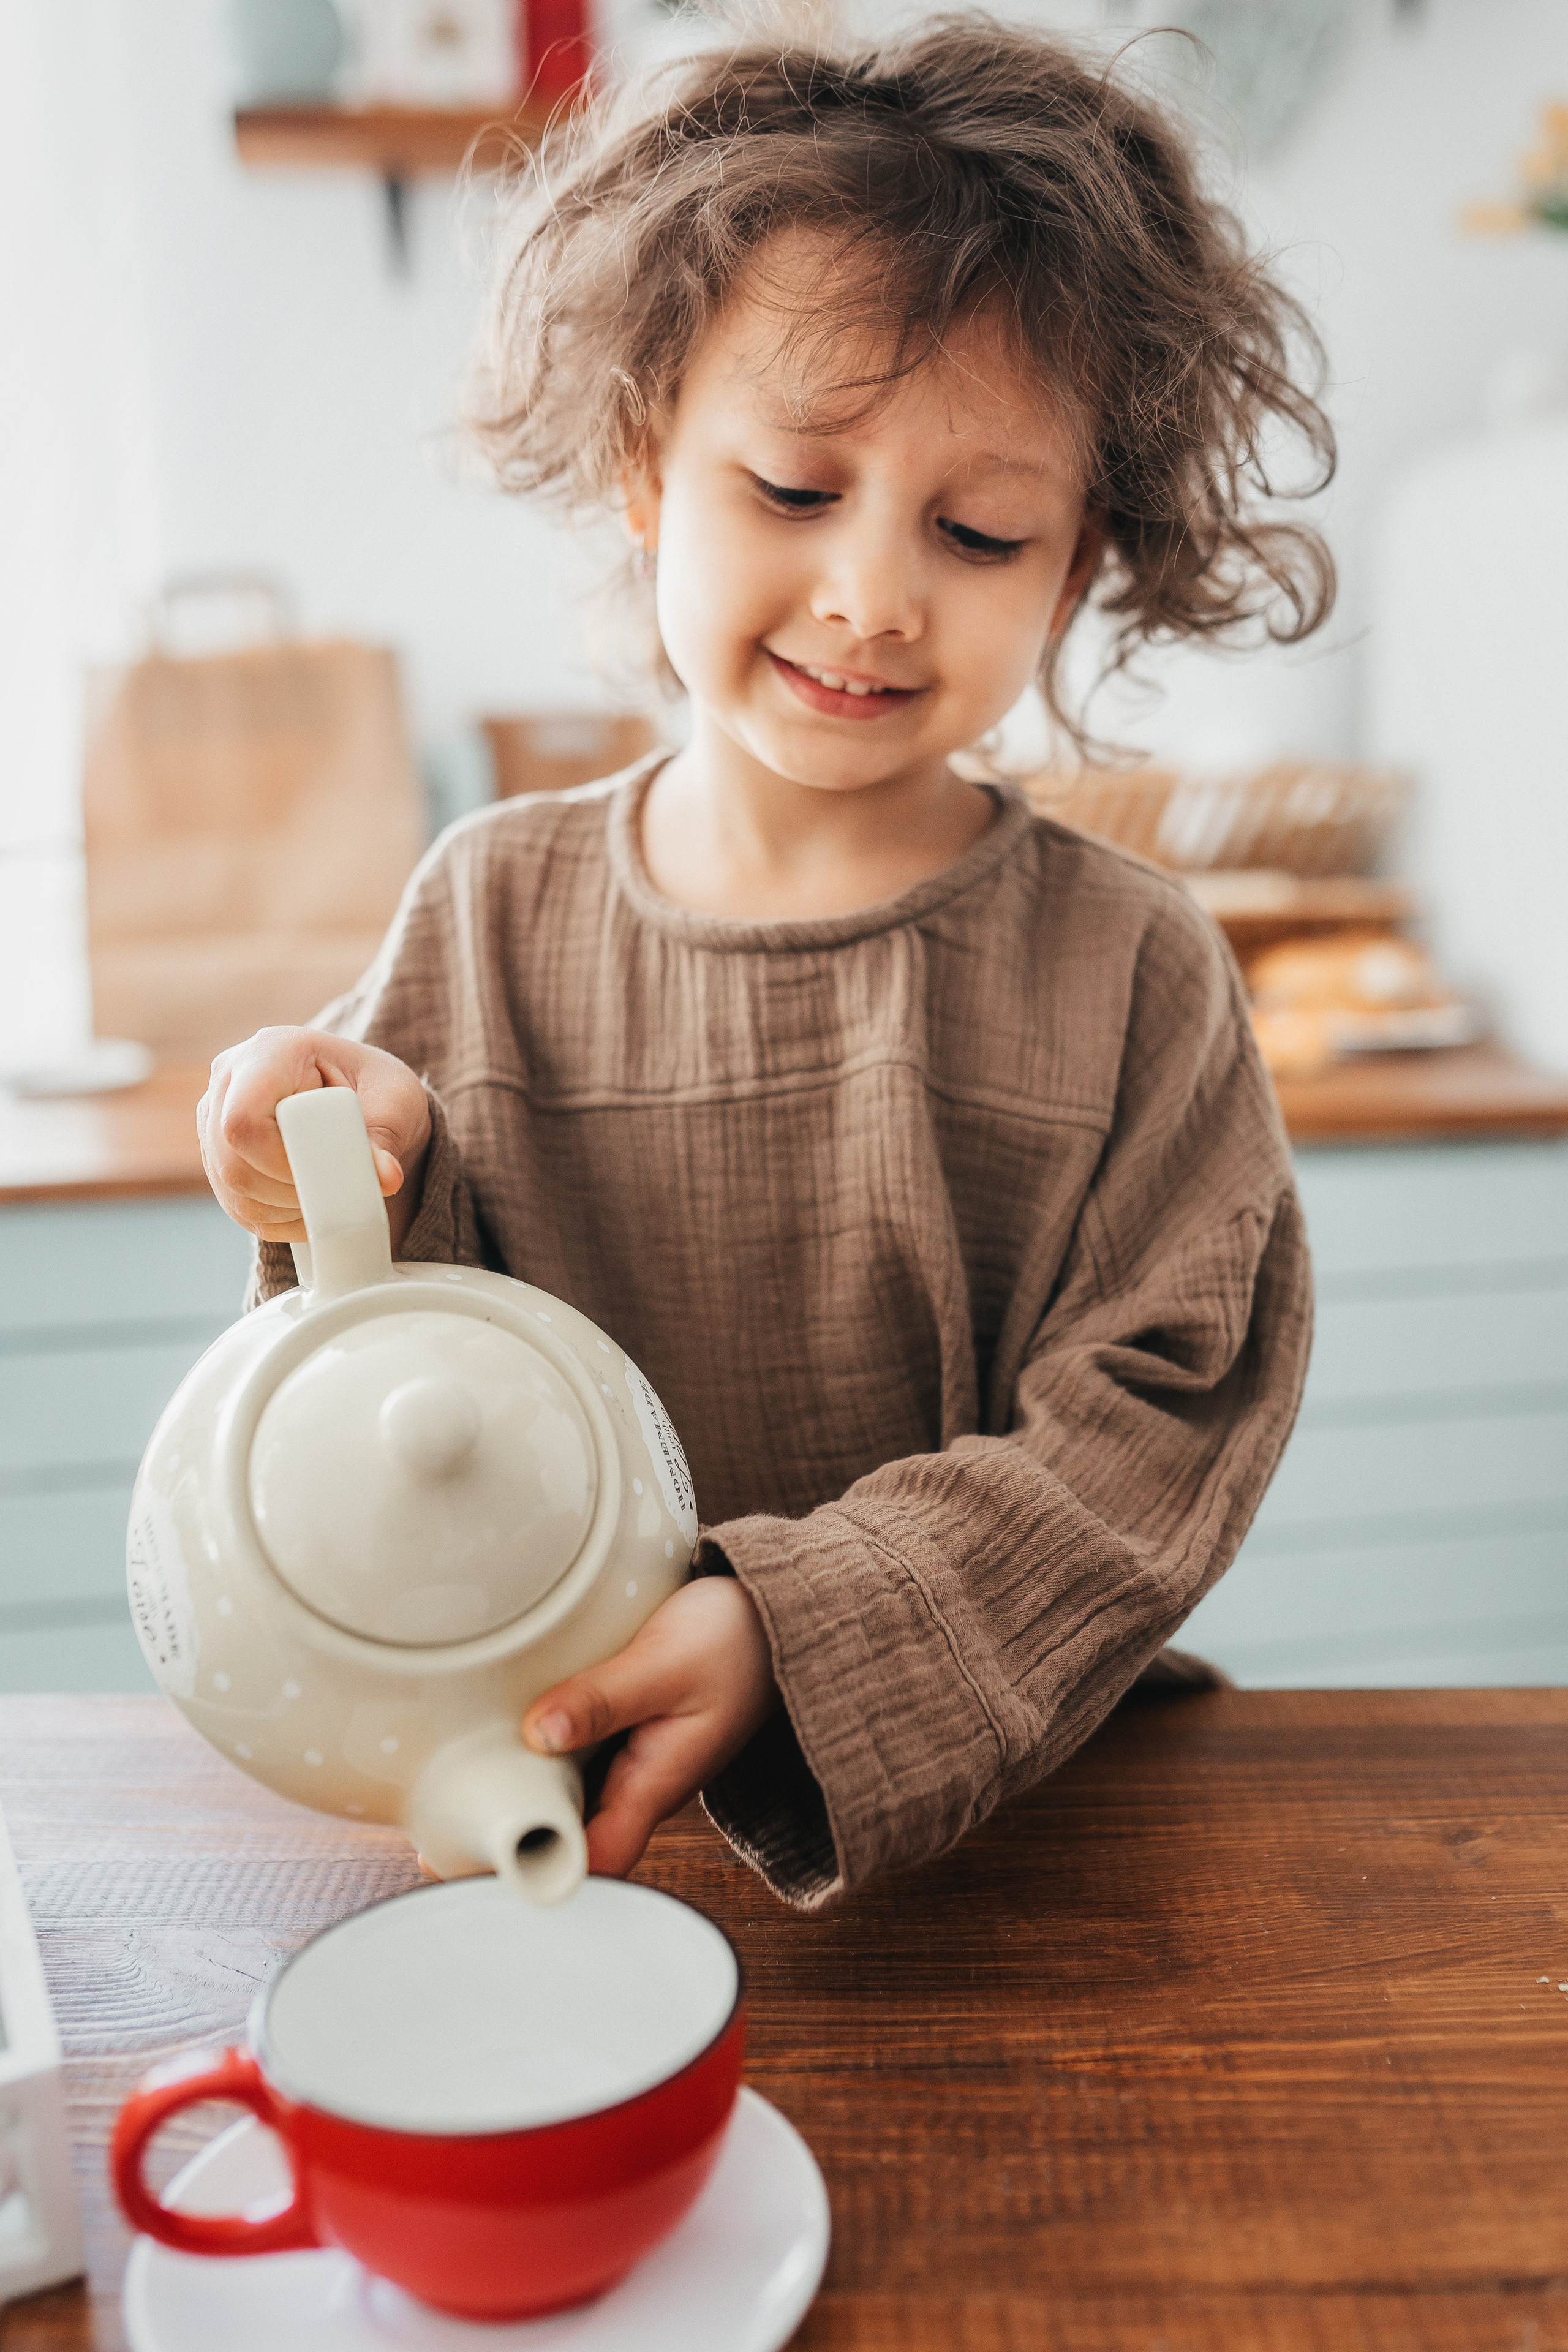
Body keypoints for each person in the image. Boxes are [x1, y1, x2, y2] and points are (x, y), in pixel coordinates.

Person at [200, 17, 1330, 1911]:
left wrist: (790, 1633)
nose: (873, 594)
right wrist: (337, 1179)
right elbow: (366, 1393)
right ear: (646, 464)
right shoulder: (485, 916)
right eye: (796, 491)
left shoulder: (1133, 970)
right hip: (563, 1827)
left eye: (977, 532)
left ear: (1076, 570)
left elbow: (1161, 1424)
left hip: (1022, 1823)